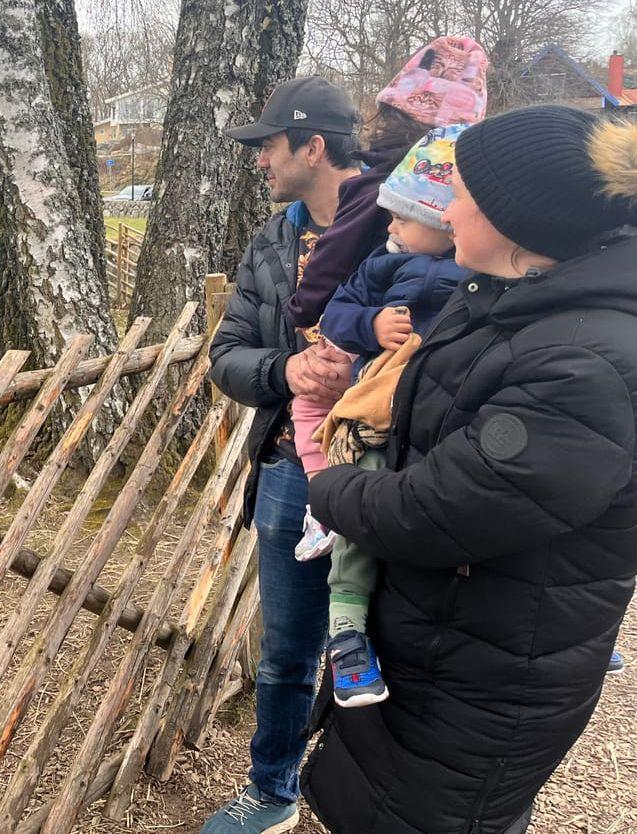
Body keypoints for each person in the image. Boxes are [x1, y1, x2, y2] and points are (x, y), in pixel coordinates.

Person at [302, 105, 637, 834]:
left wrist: (329, 487)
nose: (446, 210)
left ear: (516, 223)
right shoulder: (510, 299)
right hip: (443, 640)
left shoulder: (578, 362)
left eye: (463, 196)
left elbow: (443, 509)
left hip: (482, 673)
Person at [201, 75, 361, 834]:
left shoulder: (408, 226)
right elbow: (225, 352)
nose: (259, 162)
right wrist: (285, 371)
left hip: (386, 475)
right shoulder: (270, 240)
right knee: (287, 649)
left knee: (380, 642)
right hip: (289, 471)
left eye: (267, 145)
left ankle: (364, 795)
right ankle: (272, 791)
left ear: (312, 145)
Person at [292, 36, 490, 560]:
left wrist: (304, 312)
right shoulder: (477, 218)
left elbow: (328, 271)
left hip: (388, 374)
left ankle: (324, 503)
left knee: (335, 426)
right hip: (419, 381)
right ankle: (329, 507)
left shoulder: (378, 189)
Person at [300, 124, 474, 708]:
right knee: (364, 503)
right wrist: (371, 326)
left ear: (447, 220)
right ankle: (346, 633)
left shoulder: (481, 274)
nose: (390, 228)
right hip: (380, 405)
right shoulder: (384, 264)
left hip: (446, 409)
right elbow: (336, 310)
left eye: (402, 217)